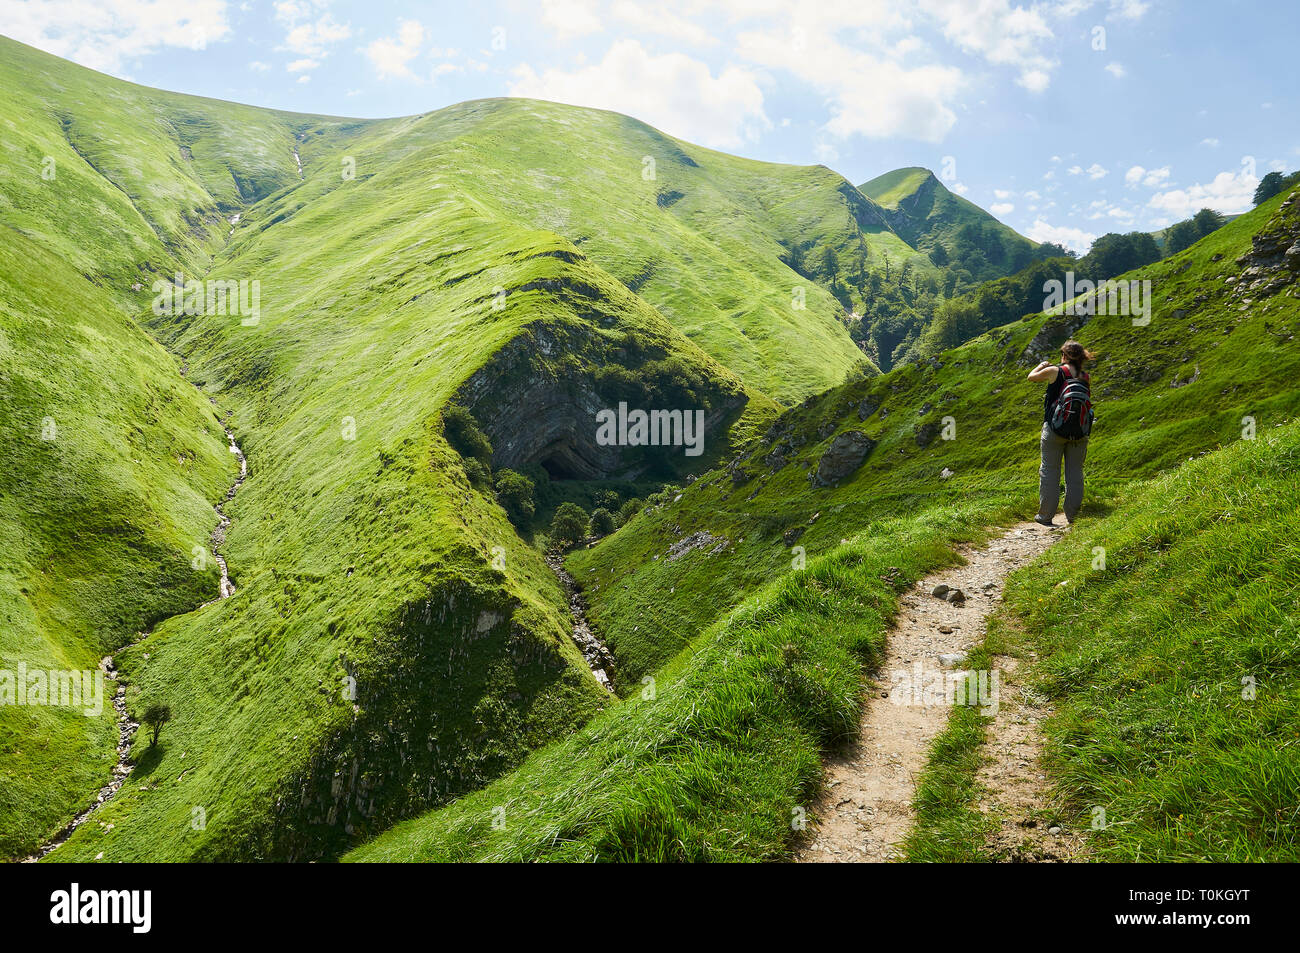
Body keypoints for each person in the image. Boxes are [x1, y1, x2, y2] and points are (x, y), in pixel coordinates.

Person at [1027, 341, 1096, 526]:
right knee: (1074, 472)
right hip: (1079, 432)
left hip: (1054, 430)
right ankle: (1073, 517)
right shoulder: (1085, 376)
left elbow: (1031, 377)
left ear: (1064, 356)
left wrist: (1042, 365)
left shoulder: (1055, 371)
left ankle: (1045, 516)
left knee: (1050, 471)